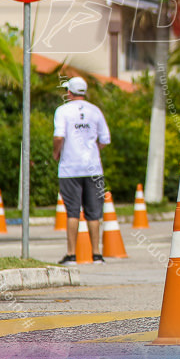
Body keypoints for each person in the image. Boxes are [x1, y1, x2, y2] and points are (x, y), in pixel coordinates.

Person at [53, 76, 110, 266]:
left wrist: (56, 153)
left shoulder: (62, 111)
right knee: (94, 213)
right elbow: (105, 139)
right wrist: (91, 151)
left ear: (69, 92)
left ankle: (71, 255)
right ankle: (96, 255)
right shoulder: (96, 111)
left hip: (70, 168)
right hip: (93, 167)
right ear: (84, 92)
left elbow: (59, 136)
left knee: (72, 212)